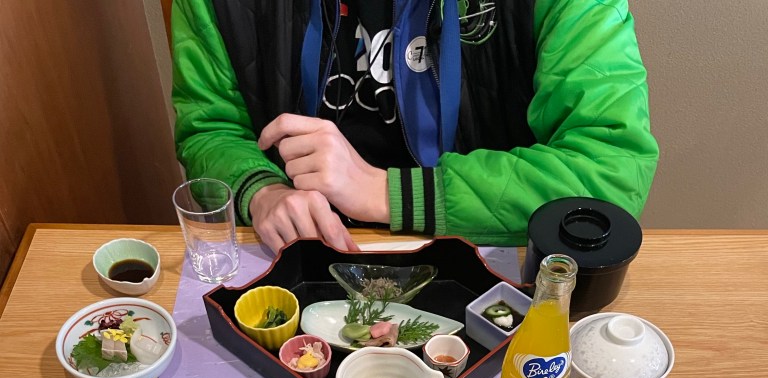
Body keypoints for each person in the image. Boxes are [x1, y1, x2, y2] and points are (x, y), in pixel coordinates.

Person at [172, 0, 658, 253]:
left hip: (481, 256)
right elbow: (210, 128)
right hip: (297, 249)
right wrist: (262, 191)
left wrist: (388, 193)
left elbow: (610, 172)